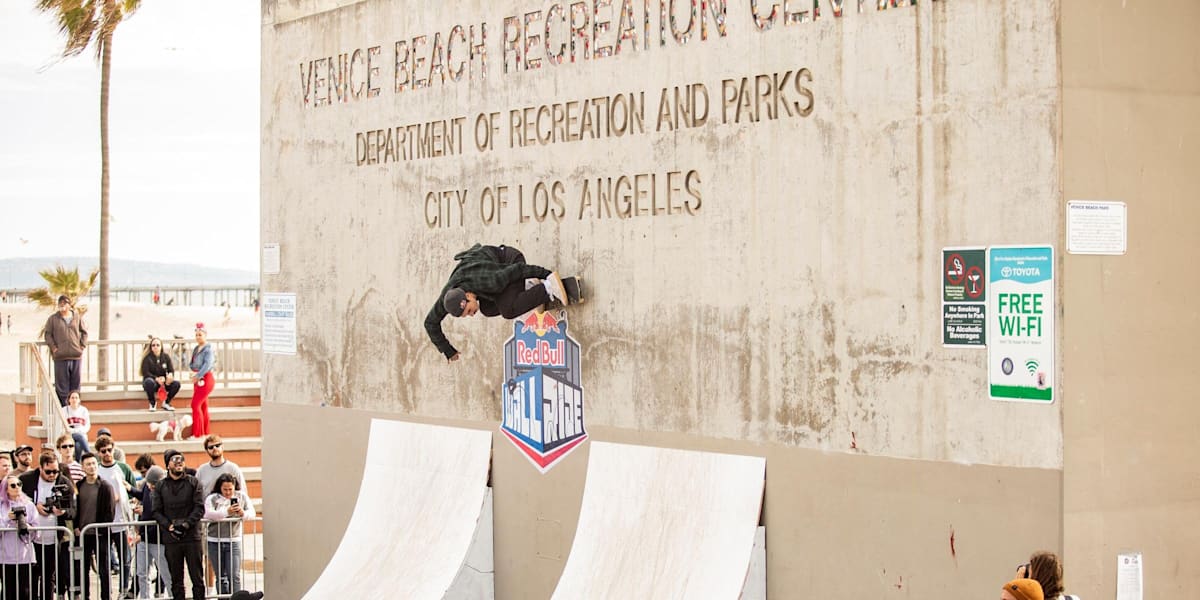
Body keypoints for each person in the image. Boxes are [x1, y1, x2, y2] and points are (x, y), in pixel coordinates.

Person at [424, 244, 569, 362]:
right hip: (497, 270)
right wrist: (448, 351)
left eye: (468, 311)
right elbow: (430, 323)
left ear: (468, 295)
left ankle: (547, 289)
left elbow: (517, 270)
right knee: (487, 309)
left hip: (510, 261)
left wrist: (548, 276)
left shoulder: (488, 280)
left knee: (508, 310)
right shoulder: (448, 298)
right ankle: (529, 288)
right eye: (466, 315)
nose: (471, 315)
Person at [20, 452, 75, 600]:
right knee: (31, 576)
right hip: (31, 538)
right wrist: (34, 507)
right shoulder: (27, 480)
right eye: (49, 471)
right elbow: (16, 500)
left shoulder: (64, 482)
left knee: (48, 576)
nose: (52, 475)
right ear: (40, 468)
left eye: (56, 471)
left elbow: (73, 510)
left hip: (53, 538)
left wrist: (62, 512)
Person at [152, 450, 205, 600]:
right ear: (168, 464)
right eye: (174, 460)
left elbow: (199, 507)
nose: (179, 462)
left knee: (197, 579)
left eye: (181, 460)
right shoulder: (161, 486)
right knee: (176, 580)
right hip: (171, 538)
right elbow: (156, 511)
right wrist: (169, 526)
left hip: (192, 537)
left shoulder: (194, 482)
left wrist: (186, 524)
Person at [203, 473, 255, 595]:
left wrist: (242, 513)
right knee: (221, 576)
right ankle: (223, 597)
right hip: (215, 541)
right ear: (219, 488)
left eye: (230, 489)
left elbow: (252, 512)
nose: (228, 492)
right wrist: (226, 512)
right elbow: (208, 514)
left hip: (233, 540)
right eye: (225, 489)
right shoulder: (212, 498)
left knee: (234, 575)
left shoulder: (241, 496)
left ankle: (237, 597)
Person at [76, 453, 115, 600]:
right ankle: (85, 595)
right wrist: (76, 527)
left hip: (101, 535)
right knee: (83, 568)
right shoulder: (79, 486)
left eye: (93, 463)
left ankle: (106, 596)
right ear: (83, 467)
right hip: (83, 534)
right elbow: (76, 509)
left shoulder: (105, 486)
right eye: (88, 464)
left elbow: (109, 511)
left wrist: (103, 529)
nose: (91, 467)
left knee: (104, 569)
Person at [132, 466, 171, 599]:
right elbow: (143, 498)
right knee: (142, 573)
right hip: (144, 539)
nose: (150, 488)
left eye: (153, 485)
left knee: (166, 574)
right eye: (149, 485)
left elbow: (158, 518)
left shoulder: (166, 494)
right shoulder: (147, 488)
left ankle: (172, 596)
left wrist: (142, 535)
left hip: (158, 540)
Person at [43, 295, 89, 407]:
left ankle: (75, 408)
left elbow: (84, 332)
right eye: (60, 303)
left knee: (75, 385)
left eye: (64, 303)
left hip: (75, 356)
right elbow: (48, 334)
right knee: (62, 387)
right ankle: (64, 409)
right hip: (60, 357)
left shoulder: (77, 317)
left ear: (69, 305)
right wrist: (54, 348)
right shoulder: (53, 319)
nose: (62, 306)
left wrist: (82, 346)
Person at [0, 475, 37, 600]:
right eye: (13, 485)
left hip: (25, 556)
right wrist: (7, 519)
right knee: (8, 591)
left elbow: (37, 531)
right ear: (6, 489)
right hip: (5, 557)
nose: (17, 487)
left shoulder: (30, 505)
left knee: (25, 591)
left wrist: (25, 525)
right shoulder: (1, 506)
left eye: (19, 484)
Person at [189, 323, 215, 440]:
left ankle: (197, 433)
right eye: (197, 335)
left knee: (195, 404)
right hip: (197, 377)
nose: (198, 337)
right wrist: (193, 371)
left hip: (205, 379)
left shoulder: (208, 350)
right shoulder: (196, 348)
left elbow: (208, 364)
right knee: (203, 405)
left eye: (200, 335)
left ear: (205, 335)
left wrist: (198, 375)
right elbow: (192, 363)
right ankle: (205, 432)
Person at [141, 337, 181, 412]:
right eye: (153, 345)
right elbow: (146, 373)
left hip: (163, 382)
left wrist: (168, 378)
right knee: (149, 382)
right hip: (153, 382)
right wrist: (156, 379)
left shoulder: (166, 357)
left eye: (158, 345)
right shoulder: (147, 358)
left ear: (161, 346)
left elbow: (171, 370)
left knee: (177, 384)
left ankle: (166, 402)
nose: (155, 347)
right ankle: (152, 403)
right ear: (151, 347)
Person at [64, 389, 93, 461]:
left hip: (81, 434)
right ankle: (90, 455)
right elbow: (63, 426)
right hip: (69, 435)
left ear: (79, 400)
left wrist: (79, 430)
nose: (74, 399)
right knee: (79, 436)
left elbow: (87, 426)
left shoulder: (84, 410)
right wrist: (73, 431)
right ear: (69, 400)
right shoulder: (64, 410)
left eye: (76, 398)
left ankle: (77, 462)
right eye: (72, 398)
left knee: (78, 445)